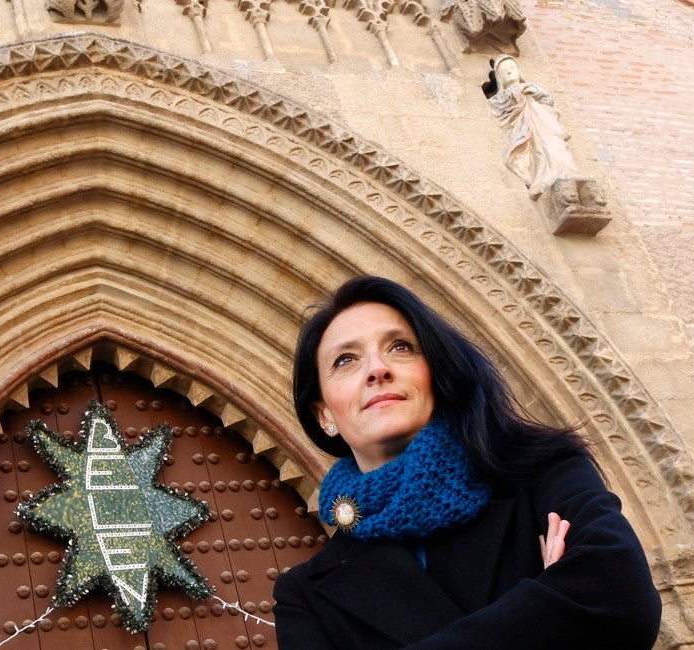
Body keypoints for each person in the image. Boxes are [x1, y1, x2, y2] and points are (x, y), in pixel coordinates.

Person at [273, 276, 661, 649]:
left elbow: (623, 599)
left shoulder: (546, 474)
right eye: (345, 360)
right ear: (324, 414)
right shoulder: (306, 595)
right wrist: (547, 610)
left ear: (435, 372)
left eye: (401, 347)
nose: (377, 368)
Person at [486, 54, 584, 202]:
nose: (509, 71)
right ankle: (542, 176)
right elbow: (497, 106)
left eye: (511, 67)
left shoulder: (533, 89)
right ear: (499, 77)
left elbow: (548, 100)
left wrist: (532, 92)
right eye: (504, 70)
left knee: (555, 146)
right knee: (537, 151)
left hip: (544, 125)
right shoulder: (501, 97)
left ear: (519, 70)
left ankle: (564, 171)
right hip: (525, 129)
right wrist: (518, 93)